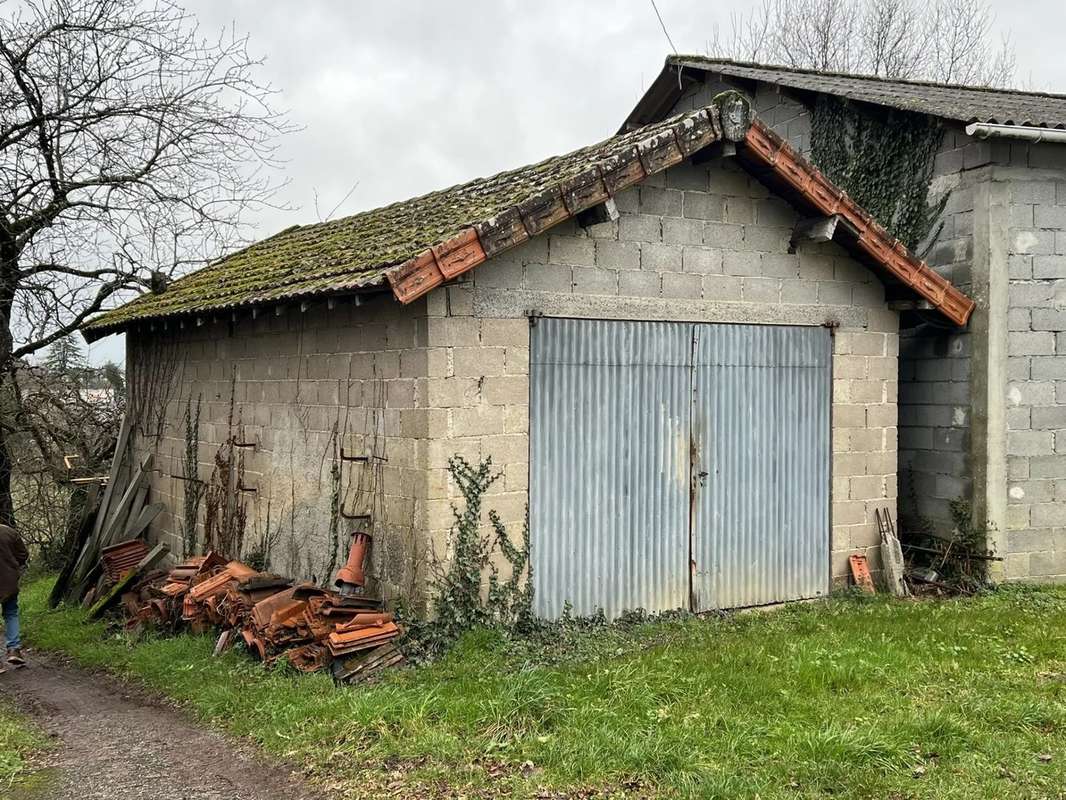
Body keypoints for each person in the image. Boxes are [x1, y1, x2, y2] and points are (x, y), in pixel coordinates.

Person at [0, 522, 28, 671]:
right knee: (11, 613)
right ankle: (14, 649)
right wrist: (13, 566)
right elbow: (23, 554)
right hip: (8, 582)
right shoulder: (8, 532)